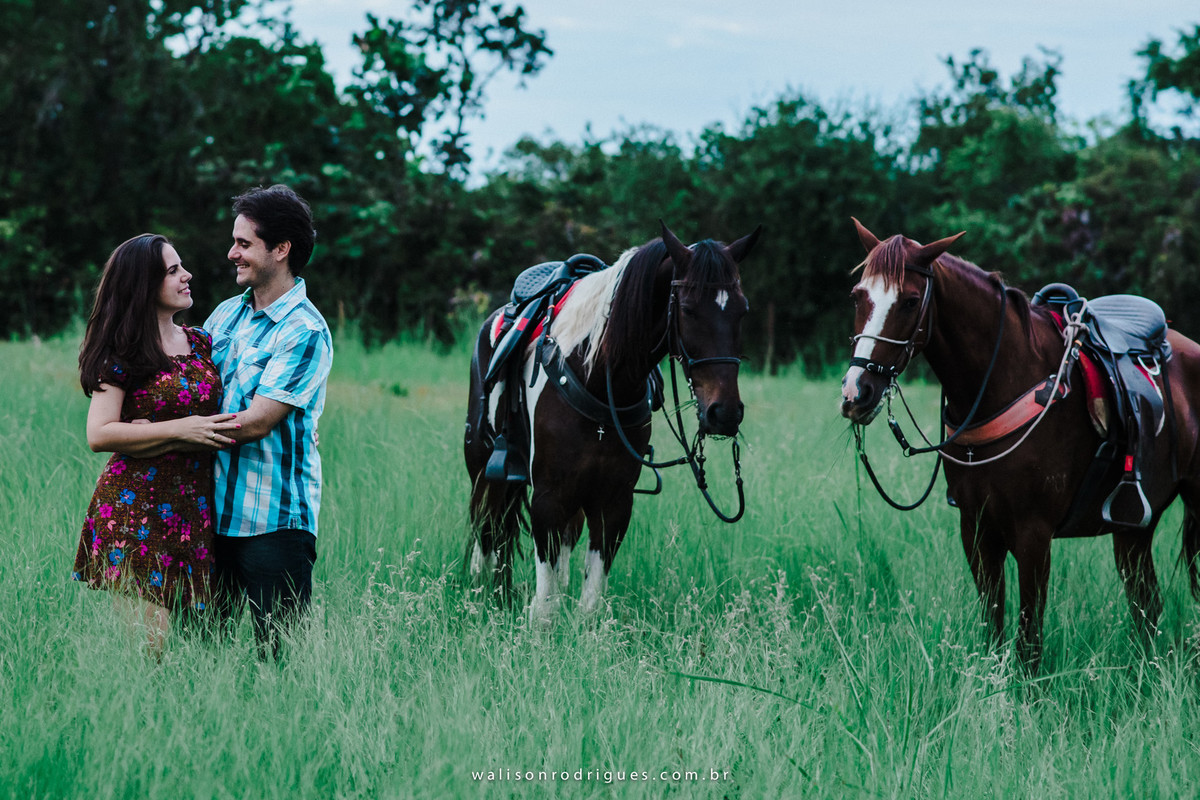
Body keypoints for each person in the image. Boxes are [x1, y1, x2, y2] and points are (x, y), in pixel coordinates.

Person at [74, 234, 240, 656]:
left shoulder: (200, 342)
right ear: (144, 284)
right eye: (173, 271)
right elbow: (100, 433)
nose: (187, 276)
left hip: (192, 511)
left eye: (181, 267)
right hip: (137, 510)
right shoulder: (124, 348)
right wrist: (178, 430)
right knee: (149, 654)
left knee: (198, 650)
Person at [204, 184, 333, 658]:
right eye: (234, 241)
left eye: (244, 243)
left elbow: (257, 422)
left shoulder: (304, 330)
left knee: (278, 658)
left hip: (273, 521)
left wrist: (175, 434)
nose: (232, 253)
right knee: (200, 652)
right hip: (212, 515)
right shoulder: (223, 317)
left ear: (281, 249)